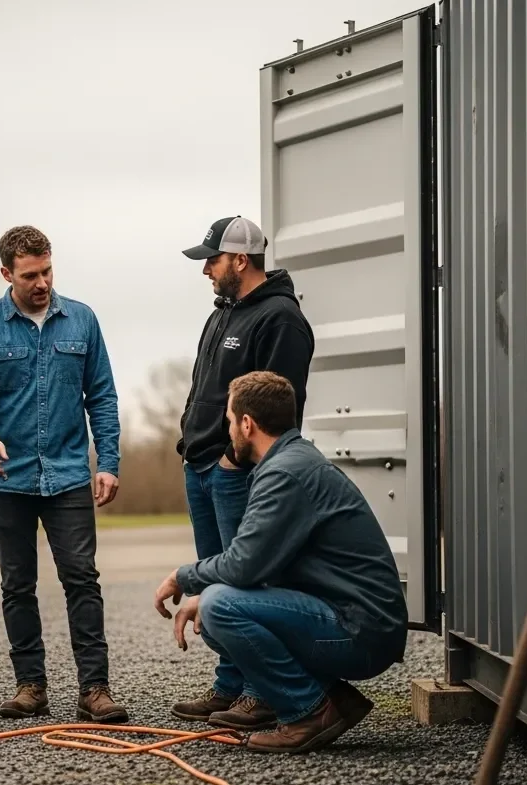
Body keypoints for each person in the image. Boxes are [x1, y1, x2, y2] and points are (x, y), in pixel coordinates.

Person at [154, 371, 408, 754]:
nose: (229, 432)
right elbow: (259, 565)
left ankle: (309, 713)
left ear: (247, 423)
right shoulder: (291, 461)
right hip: (356, 620)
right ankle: (330, 697)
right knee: (212, 613)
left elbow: (243, 565)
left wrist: (183, 577)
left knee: (219, 605)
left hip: (361, 631)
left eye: (229, 421)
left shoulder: (285, 473)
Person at [0, 224, 128, 723]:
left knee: (82, 579)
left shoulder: (82, 321)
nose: (42, 283)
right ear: (6, 274)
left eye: (47, 271)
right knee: (17, 584)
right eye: (30, 275)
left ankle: (95, 689)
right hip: (5, 477)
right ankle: (30, 686)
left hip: (69, 474)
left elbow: (102, 397)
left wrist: (108, 462)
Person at [173, 215, 315, 728]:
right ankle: (230, 685)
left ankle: (261, 693)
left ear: (239, 259)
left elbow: (279, 405)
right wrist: (189, 442)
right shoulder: (221, 315)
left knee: (249, 583)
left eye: (211, 260)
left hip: (237, 474)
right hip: (201, 466)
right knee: (217, 584)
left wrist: (234, 461)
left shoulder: (280, 318)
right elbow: (203, 389)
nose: (205, 270)